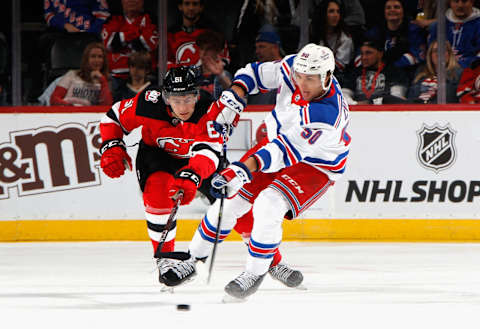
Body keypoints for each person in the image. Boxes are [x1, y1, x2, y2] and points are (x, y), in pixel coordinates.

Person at [160, 44, 351, 300]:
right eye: (301, 77)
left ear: (327, 76)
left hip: (315, 165)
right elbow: (254, 73)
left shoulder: (327, 113)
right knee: (229, 203)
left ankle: (255, 272)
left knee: (268, 205)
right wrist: (236, 94)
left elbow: (284, 152)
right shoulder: (294, 66)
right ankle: (193, 260)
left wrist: (240, 170)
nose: (303, 83)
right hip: (277, 143)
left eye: (311, 79)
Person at [99, 66, 300, 289]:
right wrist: (112, 146)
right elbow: (113, 117)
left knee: (235, 204)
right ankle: (165, 259)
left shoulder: (211, 111)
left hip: (202, 160)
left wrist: (193, 175)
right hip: (157, 155)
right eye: (176, 100)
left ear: (196, 94)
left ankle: (271, 261)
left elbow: (209, 153)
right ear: (165, 97)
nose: (183, 107)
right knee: (157, 191)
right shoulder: (148, 102)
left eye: (188, 98)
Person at [101, 0, 159, 91]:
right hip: (116, 75)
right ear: (122, 2)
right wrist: (137, 32)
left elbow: (149, 45)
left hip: (145, 75)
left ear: (142, 2)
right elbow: (110, 44)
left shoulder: (151, 19)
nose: (132, 1)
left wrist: (121, 36)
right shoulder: (113, 19)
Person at [361, 0, 426, 75]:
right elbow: (362, 51)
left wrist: (390, 67)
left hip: (407, 72)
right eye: (388, 8)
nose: (392, 10)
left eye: (396, 7)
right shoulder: (376, 31)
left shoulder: (413, 29)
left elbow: (418, 55)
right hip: (379, 71)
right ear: (384, 12)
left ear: (403, 11)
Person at [342, 38, 409, 105]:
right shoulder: (355, 72)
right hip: (358, 112)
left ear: (380, 54)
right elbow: (343, 95)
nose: (364, 57)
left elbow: (396, 97)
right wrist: (355, 104)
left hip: (385, 112)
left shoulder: (394, 72)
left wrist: (370, 103)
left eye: (368, 53)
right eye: (362, 53)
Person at [167, 0, 229, 68]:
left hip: (207, 76)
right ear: (180, 6)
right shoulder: (171, 34)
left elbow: (224, 59)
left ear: (201, 7)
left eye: (195, 4)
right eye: (187, 4)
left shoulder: (213, 32)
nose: (191, 8)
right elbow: (164, 62)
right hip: (179, 77)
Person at [310, 0, 354, 85]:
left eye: (338, 11)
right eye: (331, 11)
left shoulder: (345, 38)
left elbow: (340, 66)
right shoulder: (315, 33)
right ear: (323, 14)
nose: (335, 15)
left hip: (339, 78)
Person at [428, 0, 480, 69]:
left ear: (472, 2)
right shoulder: (438, 25)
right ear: (450, 2)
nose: (460, 5)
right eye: (456, 1)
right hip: (440, 69)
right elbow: (431, 53)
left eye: (464, 1)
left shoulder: (478, 24)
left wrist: (461, 64)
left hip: (469, 71)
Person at [248, 30, 283, 105]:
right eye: (256, 48)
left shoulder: (286, 70)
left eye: (262, 47)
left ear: (275, 47)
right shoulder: (255, 72)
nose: (257, 51)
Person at [195, 31, 232, 100]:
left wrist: (221, 75)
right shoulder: (191, 74)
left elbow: (235, 97)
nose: (203, 53)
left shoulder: (225, 75)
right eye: (201, 48)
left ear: (218, 51)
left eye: (208, 49)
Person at [44, 0, 110, 34]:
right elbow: (48, 15)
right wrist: (64, 25)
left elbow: (102, 16)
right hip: (60, 32)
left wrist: (89, 32)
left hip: (90, 33)